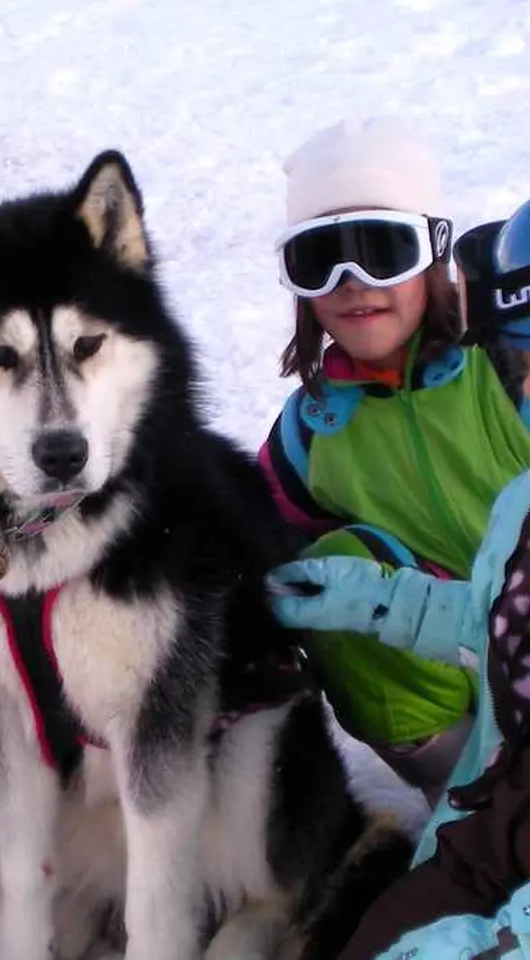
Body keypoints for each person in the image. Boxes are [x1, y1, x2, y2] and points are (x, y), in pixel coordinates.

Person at [272, 199, 530, 960]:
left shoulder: (485, 390)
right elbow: (500, 613)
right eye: (526, 364)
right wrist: (375, 599)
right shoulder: (523, 504)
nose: (354, 284)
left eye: (381, 251)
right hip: (500, 774)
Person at [259, 116, 530, 803]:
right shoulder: (314, 429)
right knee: (326, 571)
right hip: (459, 692)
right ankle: (476, 804)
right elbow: (243, 530)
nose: (354, 283)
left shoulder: (506, 370)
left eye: (383, 249)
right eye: (321, 259)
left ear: (434, 252)